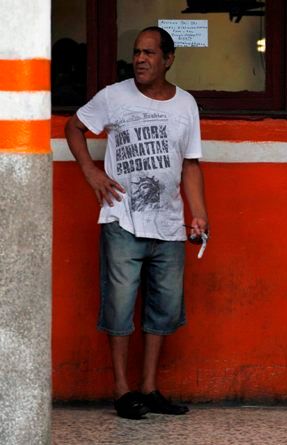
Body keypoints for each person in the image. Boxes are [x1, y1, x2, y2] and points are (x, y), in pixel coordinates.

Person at [65, 26, 208, 420]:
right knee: (120, 305)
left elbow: (191, 164)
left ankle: (149, 388)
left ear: (168, 59)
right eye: (136, 52)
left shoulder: (186, 105)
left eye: (149, 53)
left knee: (162, 309)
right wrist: (91, 173)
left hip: (168, 223)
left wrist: (198, 213)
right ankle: (122, 390)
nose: (140, 60)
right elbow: (73, 127)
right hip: (122, 218)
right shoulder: (113, 96)